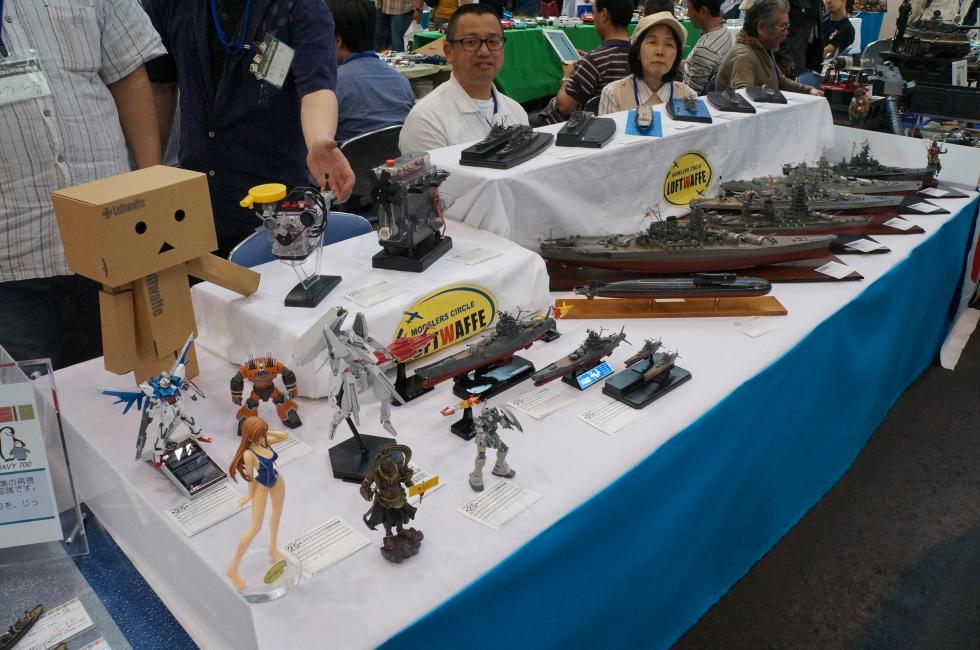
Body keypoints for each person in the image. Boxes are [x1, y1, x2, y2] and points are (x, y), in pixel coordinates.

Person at [0, 0, 164, 368]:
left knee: (141, 373)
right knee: (31, 394)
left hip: (111, 228)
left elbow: (128, 76)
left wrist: (153, 187)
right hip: (10, 250)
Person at [144, 0, 355, 258]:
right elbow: (160, 84)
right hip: (200, 199)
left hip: (276, 198)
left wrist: (319, 140)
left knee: (280, 277)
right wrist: (149, 173)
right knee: (203, 281)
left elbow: (316, 87)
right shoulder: (172, 6)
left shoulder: (297, 7)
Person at [398, 4, 528, 153]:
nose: (484, 51)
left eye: (493, 41)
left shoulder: (516, 111)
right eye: (471, 42)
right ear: (449, 51)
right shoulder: (426, 120)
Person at [329, 0, 415, 144]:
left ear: (338, 40)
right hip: (397, 156)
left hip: (350, 158)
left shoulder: (332, 85)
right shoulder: (401, 81)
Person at [543, 0, 633, 123]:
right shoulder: (638, 53)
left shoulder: (594, 61)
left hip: (579, 126)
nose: (593, 18)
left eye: (593, 12)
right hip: (622, 121)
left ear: (604, 14)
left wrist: (567, 76)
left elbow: (564, 107)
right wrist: (588, 63)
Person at [226, 417, 289, 590]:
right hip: (261, 485)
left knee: (277, 514)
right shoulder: (249, 454)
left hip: (277, 480)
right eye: (259, 434)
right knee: (255, 527)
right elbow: (250, 477)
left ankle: (273, 549)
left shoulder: (264, 442)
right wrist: (248, 496)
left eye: (263, 434)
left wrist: (265, 432)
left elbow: (284, 436)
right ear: (250, 435)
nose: (263, 437)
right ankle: (232, 569)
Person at [714, 0, 823, 95]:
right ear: (761, 28)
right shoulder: (744, 57)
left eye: (787, 26)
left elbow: (780, 80)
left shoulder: (762, 47)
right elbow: (746, 100)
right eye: (783, 26)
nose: (786, 33)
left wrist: (809, 91)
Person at [598, 12, 697, 114]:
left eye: (669, 44)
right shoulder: (613, 95)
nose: (660, 51)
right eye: (652, 42)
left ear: (676, 56)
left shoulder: (688, 97)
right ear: (638, 52)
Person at [684, 0, 735, 93]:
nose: (687, 14)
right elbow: (695, 65)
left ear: (703, 11)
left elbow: (691, 94)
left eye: (689, 9)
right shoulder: (724, 30)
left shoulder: (706, 48)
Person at [775, 0, 822, 76]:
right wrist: (784, 55)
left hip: (809, 57)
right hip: (790, 58)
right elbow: (780, 29)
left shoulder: (816, 3)